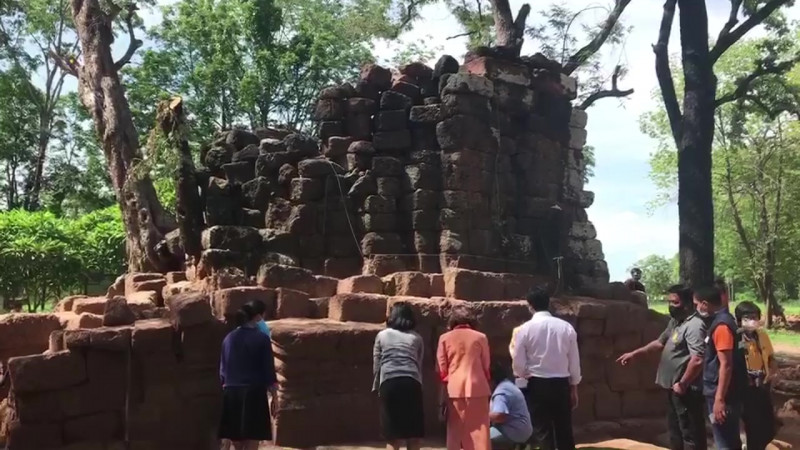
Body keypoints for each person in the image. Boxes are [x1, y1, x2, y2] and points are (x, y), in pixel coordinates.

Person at [616, 285, 707, 450]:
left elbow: (698, 359)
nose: (671, 306)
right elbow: (659, 343)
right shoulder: (676, 322)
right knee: (675, 431)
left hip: (686, 389)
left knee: (690, 433)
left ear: (687, 304)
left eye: (675, 302)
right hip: (672, 388)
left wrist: (683, 383)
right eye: (669, 302)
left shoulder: (694, 325)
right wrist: (635, 354)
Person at [512, 287, 580, 450]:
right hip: (561, 383)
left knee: (542, 430)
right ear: (548, 304)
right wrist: (574, 386)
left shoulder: (525, 329)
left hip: (537, 384)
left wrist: (524, 374)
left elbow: (518, 363)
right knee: (564, 428)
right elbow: (574, 361)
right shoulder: (566, 327)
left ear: (530, 306)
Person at [218, 303, 278, 450]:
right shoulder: (261, 339)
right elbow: (268, 369)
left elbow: (223, 371)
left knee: (236, 440)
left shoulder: (228, 339)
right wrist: (274, 394)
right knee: (252, 438)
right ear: (257, 317)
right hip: (253, 393)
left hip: (231, 393)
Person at [695, 286, 748, 450]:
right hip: (726, 391)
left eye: (696, 304)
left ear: (705, 304)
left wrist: (719, 399)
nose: (697, 308)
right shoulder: (726, 321)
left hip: (723, 393)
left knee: (724, 441)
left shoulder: (721, 327)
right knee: (730, 439)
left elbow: (726, 364)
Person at [437, 306, 491, 450]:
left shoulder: (444, 338)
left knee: (455, 430)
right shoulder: (481, 337)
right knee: (480, 431)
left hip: (454, 388)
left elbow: (442, 368)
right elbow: (486, 365)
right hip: (478, 387)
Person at [373, 302, 425, 450]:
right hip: (411, 383)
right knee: (413, 436)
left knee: (392, 436)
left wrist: (377, 387)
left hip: (389, 383)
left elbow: (377, 364)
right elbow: (418, 364)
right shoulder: (417, 338)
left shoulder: (382, 335)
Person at [735, 301, 778, 450]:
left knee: (767, 427)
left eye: (755, 317)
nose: (752, 321)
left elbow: (771, 358)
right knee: (750, 428)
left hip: (762, 387)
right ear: (739, 320)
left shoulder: (762, 335)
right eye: (747, 318)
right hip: (744, 390)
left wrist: (771, 375)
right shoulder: (735, 339)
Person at [488, 362, 532, 450]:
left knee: (480, 438)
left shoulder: (501, 392)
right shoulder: (507, 385)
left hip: (513, 431)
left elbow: (499, 416)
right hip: (521, 430)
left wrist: (480, 418)